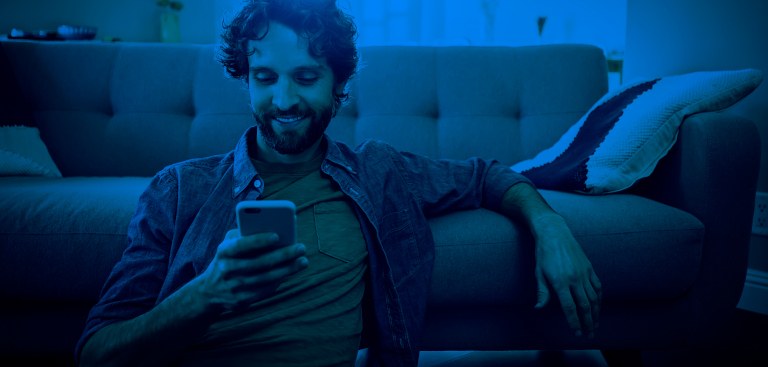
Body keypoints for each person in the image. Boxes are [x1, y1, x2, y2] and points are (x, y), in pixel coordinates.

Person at [77, 0, 601, 366]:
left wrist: (550, 229)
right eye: (265, 78)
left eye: (305, 77)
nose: (282, 101)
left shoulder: (379, 173)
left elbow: (487, 176)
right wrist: (206, 296)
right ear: (245, 79)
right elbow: (97, 352)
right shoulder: (178, 190)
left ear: (339, 85)